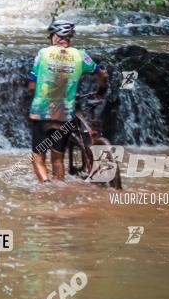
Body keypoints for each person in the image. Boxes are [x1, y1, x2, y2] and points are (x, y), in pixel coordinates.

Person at [26, 20, 108, 182]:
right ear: (68, 38)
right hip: (65, 114)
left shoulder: (42, 54)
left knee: (38, 157)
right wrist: (102, 89)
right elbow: (102, 75)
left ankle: (46, 186)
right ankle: (59, 189)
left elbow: (31, 86)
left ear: (54, 37)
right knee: (57, 159)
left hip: (41, 112)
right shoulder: (81, 56)